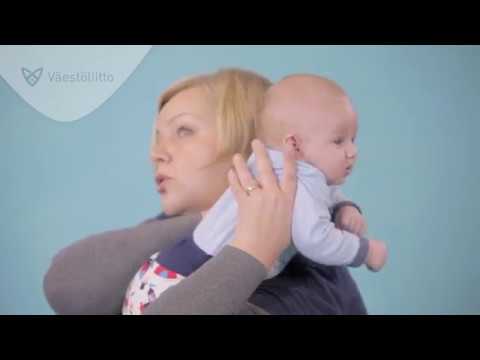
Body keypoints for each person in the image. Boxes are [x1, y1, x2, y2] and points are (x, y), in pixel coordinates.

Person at [43, 68, 368, 315]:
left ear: (255, 144)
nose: (156, 153)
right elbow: (64, 286)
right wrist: (209, 220)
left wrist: (253, 251)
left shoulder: (310, 280)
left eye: (183, 130)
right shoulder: (171, 235)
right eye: (157, 136)